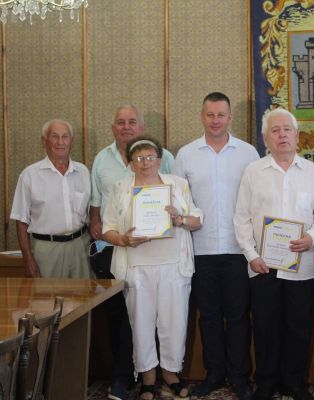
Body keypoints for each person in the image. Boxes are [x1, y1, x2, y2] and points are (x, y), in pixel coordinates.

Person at [234, 108, 314, 400]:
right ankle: (266, 382)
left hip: (303, 265)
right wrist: (251, 255)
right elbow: (241, 217)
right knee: (265, 326)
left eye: (287, 129)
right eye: (275, 130)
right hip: (263, 265)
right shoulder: (253, 172)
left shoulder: (312, 172)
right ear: (266, 139)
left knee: (299, 327)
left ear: (297, 136)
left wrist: (312, 237)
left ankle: (294, 383)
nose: (282, 135)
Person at [102, 136, 203, 400]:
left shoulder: (177, 185)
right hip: (137, 267)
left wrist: (179, 219)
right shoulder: (119, 188)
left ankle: (170, 374)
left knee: (174, 323)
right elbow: (107, 228)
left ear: (160, 160)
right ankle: (147, 377)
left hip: (173, 265)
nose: (145, 162)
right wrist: (123, 240)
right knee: (141, 324)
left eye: (149, 157)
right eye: (138, 158)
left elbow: (197, 220)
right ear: (130, 162)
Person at [174, 92, 259, 400]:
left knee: (238, 316)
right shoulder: (186, 155)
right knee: (208, 316)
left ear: (230, 118)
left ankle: (239, 376)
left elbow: (256, 200)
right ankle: (214, 374)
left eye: (221, 115)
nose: (215, 120)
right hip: (201, 250)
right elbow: (178, 202)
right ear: (202, 116)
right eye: (210, 115)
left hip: (239, 250)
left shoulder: (248, 153)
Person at [88, 105, 174, 400]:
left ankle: (154, 375)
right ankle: (123, 377)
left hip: (158, 252)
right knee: (120, 315)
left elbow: (175, 197)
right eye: (121, 122)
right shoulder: (102, 159)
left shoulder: (166, 158)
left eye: (132, 122)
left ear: (142, 127)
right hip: (115, 249)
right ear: (113, 128)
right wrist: (101, 228)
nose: (126, 127)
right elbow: (96, 205)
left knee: (154, 315)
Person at [10, 119, 91, 278]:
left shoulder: (83, 172)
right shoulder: (30, 175)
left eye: (65, 136)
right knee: (47, 293)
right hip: (47, 250)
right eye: (54, 136)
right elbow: (21, 221)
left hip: (81, 246)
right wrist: (28, 259)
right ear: (44, 141)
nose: (60, 142)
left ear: (71, 141)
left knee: (84, 292)